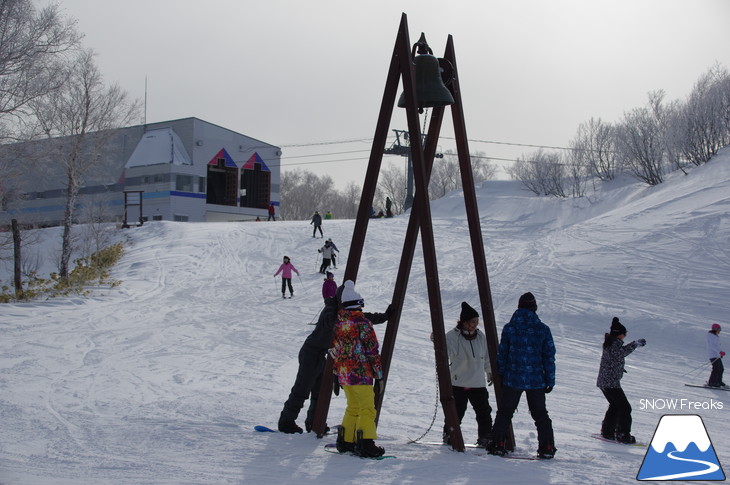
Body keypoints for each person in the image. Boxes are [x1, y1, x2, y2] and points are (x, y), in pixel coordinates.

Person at [277, 284, 392, 434]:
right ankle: (286, 421)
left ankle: (314, 422)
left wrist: (384, 316)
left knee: (319, 392)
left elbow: (360, 317)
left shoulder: (342, 313)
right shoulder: (330, 311)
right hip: (311, 353)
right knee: (302, 389)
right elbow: (335, 323)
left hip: (323, 354)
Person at [488, 292, 556, 459]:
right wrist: (550, 380)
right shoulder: (543, 329)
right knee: (540, 414)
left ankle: (497, 444)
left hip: (513, 378)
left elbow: (502, 354)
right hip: (536, 380)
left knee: (505, 412)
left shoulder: (510, 328)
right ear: (534, 308)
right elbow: (549, 356)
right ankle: (547, 447)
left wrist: (502, 374)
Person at [331, 280, 386, 457]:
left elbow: (336, 350)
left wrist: (336, 373)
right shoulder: (362, 323)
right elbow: (372, 350)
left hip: (345, 374)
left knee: (353, 406)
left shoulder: (339, 324)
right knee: (367, 408)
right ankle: (365, 442)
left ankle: (346, 440)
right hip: (361, 373)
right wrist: (379, 375)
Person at [443, 302, 494, 448]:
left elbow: (486, 355)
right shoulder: (453, 336)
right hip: (459, 382)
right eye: (472, 322)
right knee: (457, 411)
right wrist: (437, 341)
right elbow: (445, 352)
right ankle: (450, 434)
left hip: (478, 382)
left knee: (483, 412)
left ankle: (485, 436)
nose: (475, 324)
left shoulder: (480, 337)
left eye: (476, 321)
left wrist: (489, 370)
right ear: (464, 322)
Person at [596, 317, 646, 443]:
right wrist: (635, 344)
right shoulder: (613, 344)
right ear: (619, 334)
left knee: (615, 406)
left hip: (606, 382)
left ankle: (608, 431)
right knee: (625, 408)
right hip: (610, 383)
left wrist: (618, 368)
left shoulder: (611, 343)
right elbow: (621, 353)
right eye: (624, 334)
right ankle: (623, 434)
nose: (625, 336)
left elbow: (616, 358)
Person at [706, 323, 725, 388]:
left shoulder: (715, 336)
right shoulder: (711, 336)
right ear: (715, 329)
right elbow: (712, 346)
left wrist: (720, 352)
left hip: (716, 355)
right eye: (719, 329)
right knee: (716, 369)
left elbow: (717, 346)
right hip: (713, 355)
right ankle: (712, 382)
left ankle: (718, 382)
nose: (720, 331)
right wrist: (719, 352)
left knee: (721, 369)